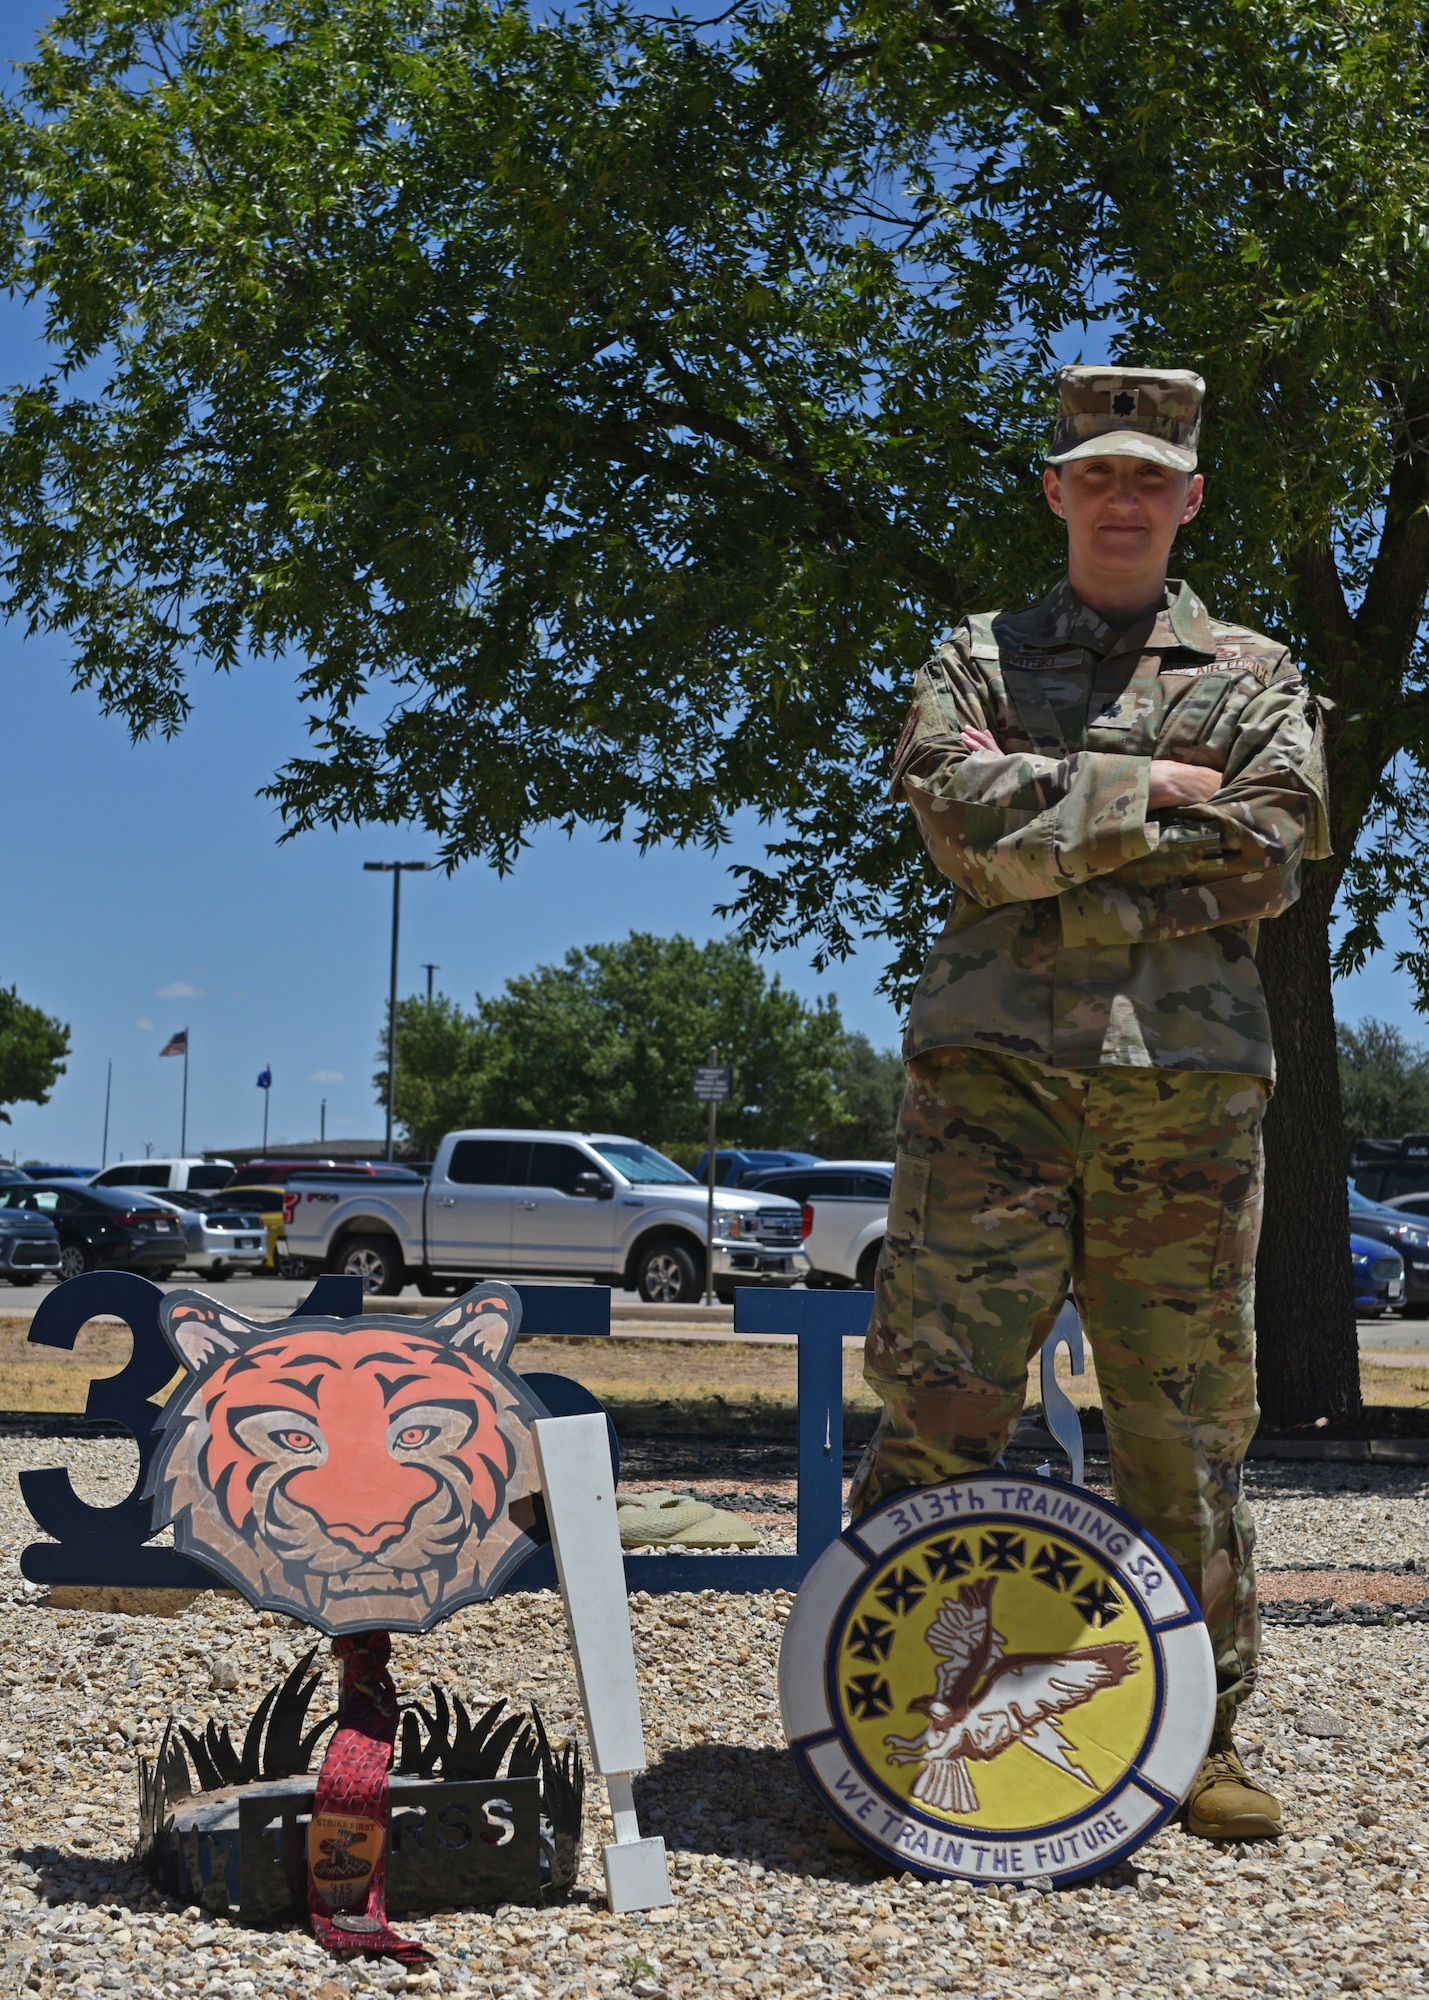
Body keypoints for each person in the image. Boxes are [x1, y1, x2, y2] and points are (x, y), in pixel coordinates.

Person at [849, 365, 1330, 1841]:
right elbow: (952, 825)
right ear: (1055, 492)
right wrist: (1151, 795)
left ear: (1187, 500)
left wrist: (1052, 804)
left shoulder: (1252, 671)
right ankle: (879, 1729)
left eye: (1150, 479)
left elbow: (1269, 851)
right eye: (1095, 476)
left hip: (1176, 1100)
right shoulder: (972, 656)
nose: (1122, 500)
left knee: (1183, 1432)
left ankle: (1196, 1737)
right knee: (938, 1407)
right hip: (989, 1087)